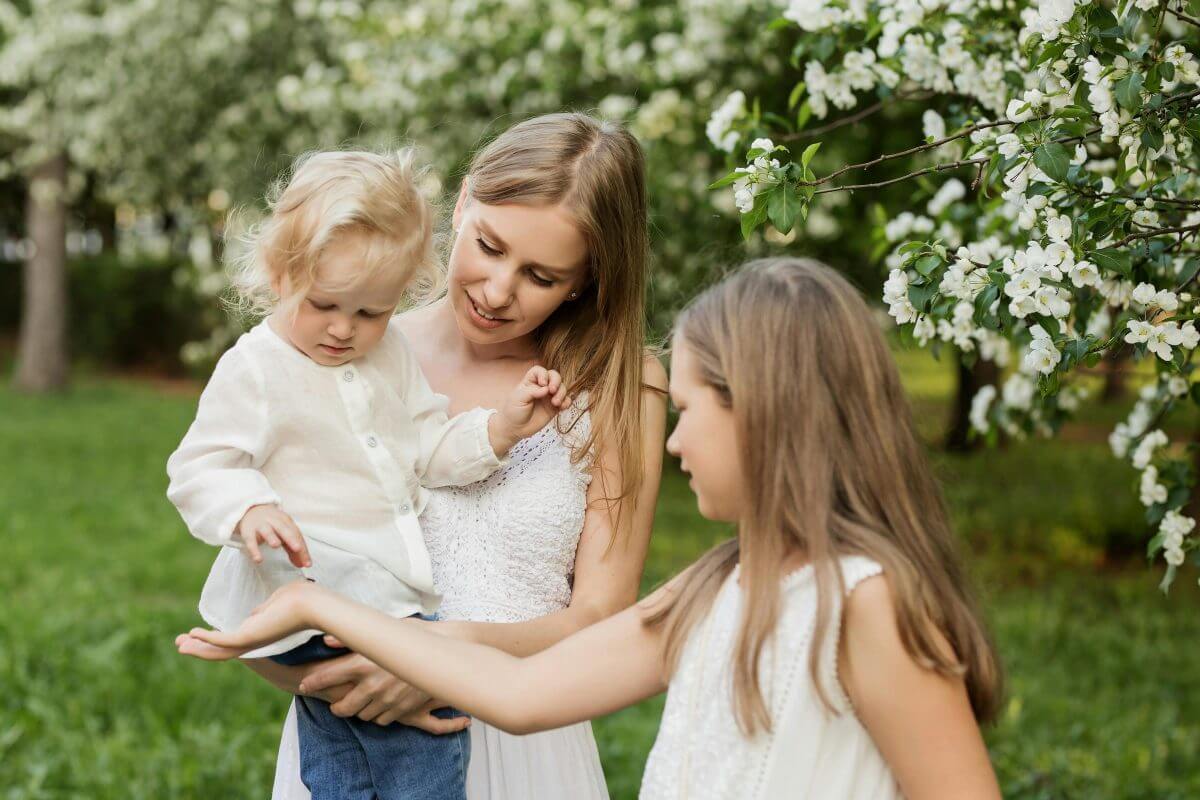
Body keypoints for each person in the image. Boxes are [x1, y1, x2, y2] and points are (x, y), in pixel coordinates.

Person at [181, 257, 1005, 799]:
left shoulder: (869, 604)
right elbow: (524, 694)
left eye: (690, 412)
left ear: (772, 416)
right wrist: (320, 608)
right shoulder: (719, 585)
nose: (674, 440)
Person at [219, 113, 666, 799]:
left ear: (586, 280)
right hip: (360, 726)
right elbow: (275, 582)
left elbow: (600, 617)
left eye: (541, 276)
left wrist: (437, 657)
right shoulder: (352, 355)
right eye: (488, 246)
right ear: (461, 204)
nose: (496, 292)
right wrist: (347, 673)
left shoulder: (621, 384)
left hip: (526, 742)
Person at [166, 148, 568, 800]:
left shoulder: (390, 356)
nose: (344, 330)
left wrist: (501, 429)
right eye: (325, 304)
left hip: (371, 595)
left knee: (339, 763)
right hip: (318, 594)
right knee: (428, 743)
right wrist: (247, 509)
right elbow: (202, 464)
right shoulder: (257, 367)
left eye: (371, 312)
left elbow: (430, 450)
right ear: (279, 272)